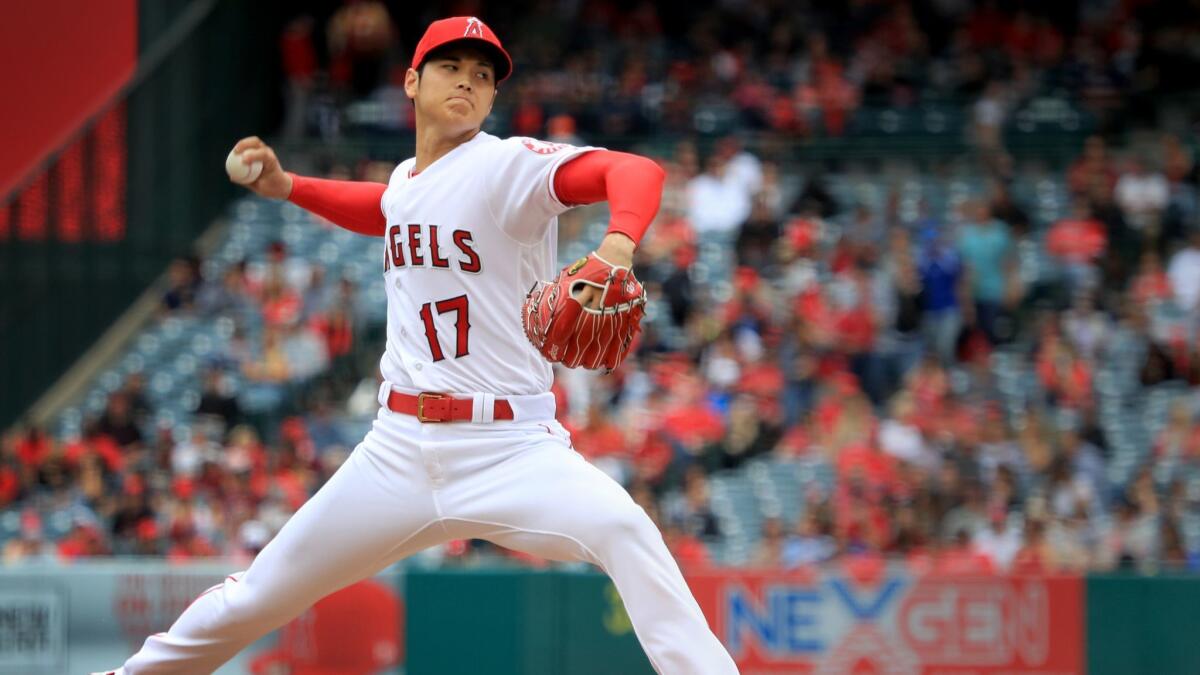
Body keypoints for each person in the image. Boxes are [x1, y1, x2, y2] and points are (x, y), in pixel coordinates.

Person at [97, 16, 737, 675]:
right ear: (411, 81)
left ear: (492, 102)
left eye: (483, 76)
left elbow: (634, 169)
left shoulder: (504, 166)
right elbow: (387, 207)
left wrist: (617, 244)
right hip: (397, 450)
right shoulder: (410, 179)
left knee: (626, 531)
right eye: (451, 67)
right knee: (257, 595)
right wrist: (289, 187)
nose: (468, 80)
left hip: (509, 447)